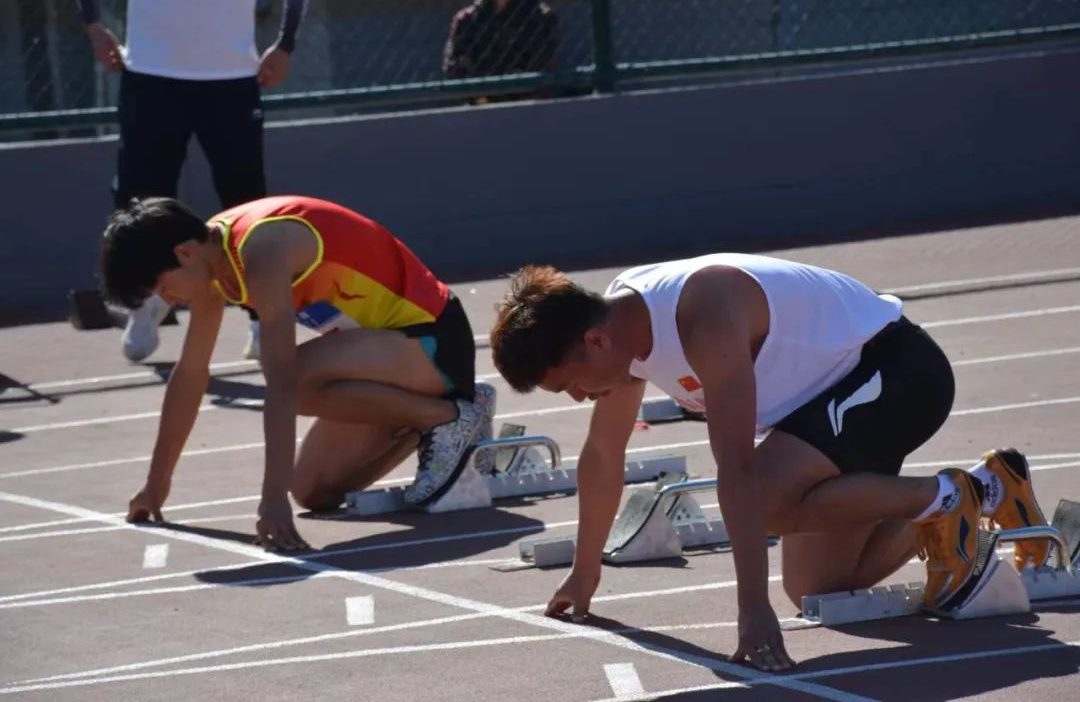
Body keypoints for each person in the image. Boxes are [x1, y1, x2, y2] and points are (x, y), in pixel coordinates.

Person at [489, 254, 1050, 670]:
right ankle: (987, 487)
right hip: (826, 407)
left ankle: (949, 499)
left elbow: (739, 471)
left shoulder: (703, 317)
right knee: (818, 586)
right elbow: (602, 454)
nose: (578, 398)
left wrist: (752, 608)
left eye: (570, 384)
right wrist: (585, 571)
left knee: (765, 500)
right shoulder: (621, 329)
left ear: (595, 342)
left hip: (898, 373)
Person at [100, 195, 495, 550]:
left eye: (163, 288)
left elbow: (283, 381)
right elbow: (191, 373)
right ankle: (443, 416)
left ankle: (447, 417)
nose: (168, 300)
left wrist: (271, 500)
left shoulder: (261, 249)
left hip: (435, 340)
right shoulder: (210, 260)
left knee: (294, 378)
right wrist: (156, 483)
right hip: (388, 363)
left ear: (184, 253)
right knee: (311, 491)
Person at [74, 0, 313, 362]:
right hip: (150, 73)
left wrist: (286, 43)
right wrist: (92, 25)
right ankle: (146, 303)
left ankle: (260, 318)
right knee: (139, 205)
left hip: (232, 78)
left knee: (246, 202)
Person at [443, 0, 559, 104]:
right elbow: (455, 66)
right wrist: (480, 97)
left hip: (529, 105)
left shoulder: (540, 16)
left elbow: (542, 64)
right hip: (481, 107)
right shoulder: (466, 20)